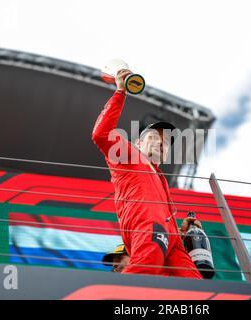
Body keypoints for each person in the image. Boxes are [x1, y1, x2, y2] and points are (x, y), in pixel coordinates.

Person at [92, 69, 202, 279]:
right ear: (138, 142)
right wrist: (120, 92)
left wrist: (180, 232)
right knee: (145, 268)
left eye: (167, 141)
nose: (162, 142)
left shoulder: (160, 179)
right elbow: (100, 134)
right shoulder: (128, 155)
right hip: (147, 227)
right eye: (154, 136)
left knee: (194, 284)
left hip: (171, 238)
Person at [103, 217, 204, 274]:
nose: (114, 265)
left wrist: (177, 236)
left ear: (136, 254)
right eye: (112, 264)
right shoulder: (115, 289)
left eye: (120, 258)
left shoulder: (160, 270)